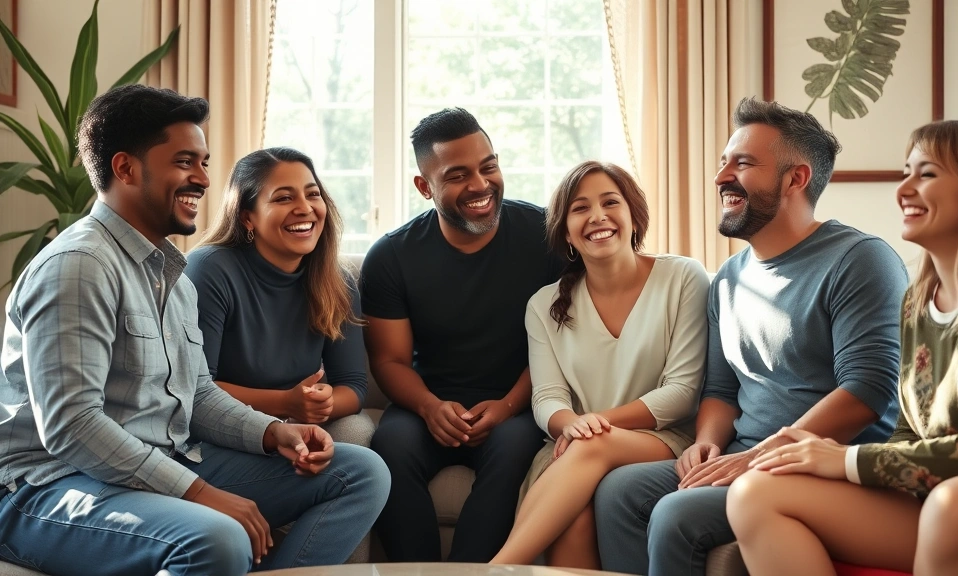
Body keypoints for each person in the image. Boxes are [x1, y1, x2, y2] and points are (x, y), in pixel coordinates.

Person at [0, 85, 390, 576]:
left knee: (361, 473)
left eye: (204, 163)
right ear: (125, 168)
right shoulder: (80, 265)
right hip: (50, 484)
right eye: (185, 162)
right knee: (219, 539)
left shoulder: (172, 275)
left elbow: (197, 393)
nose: (204, 179)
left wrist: (274, 433)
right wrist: (201, 493)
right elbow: (72, 425)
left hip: (165, 459)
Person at [593, 97, 908, 576]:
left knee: (676, 515)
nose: (721, 177)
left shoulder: (860, 260)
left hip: (823, 462)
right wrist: (706, 444)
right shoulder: (728, 278)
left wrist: (758, 458)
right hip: (746, 455)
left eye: (742, 164)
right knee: (619, 491)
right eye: (724, 162)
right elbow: (722, 390)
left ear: (795, 179)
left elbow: (867, 390)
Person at [726, 119, 958, 576]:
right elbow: (909, 431)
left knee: (954, 504)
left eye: (927, 174)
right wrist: (834, 468)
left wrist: (847, 460)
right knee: (755, 492)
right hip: (943, 499)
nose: (903, 189)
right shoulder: (918, 301)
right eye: (906, 173)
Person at [361, 107, 563, 562]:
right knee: (391, 444)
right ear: (424, 187)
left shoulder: (546, 236)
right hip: (427, 403)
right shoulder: (391, 257)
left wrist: (508, 405)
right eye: (457, 175)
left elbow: (563, 347)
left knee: (513, 450)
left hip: (517, 402)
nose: (480, 184)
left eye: (488, 166)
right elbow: (390, 361)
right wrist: (429, 406)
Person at [490, 161, 709, 568]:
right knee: (572, 522)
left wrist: (594, 424)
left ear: (633, 215)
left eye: (610, 202)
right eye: (580, 208)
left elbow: (681, 393)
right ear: (566, 231)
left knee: (594, 443)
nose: (597, 216)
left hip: (661, 439)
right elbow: (547, 397)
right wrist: (571, 425)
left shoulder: (683, 277)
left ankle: (495, 570)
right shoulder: (543, 305)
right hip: (573, 445)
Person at [184, 147, 375, 449]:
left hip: (298, 424)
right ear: (248, 217)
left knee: (357, 435)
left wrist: (321, 403)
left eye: (313, 194)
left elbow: (353, 386)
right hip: (224, 426)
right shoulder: (209, 269)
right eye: (284, 198)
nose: (305, 208)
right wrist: (285, 403)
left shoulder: (338, 280)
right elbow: (193, 389)